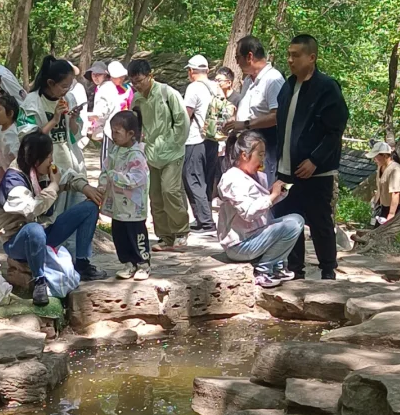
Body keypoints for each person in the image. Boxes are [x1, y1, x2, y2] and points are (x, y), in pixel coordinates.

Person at [270, 33, 350, 280]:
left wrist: (315, 159)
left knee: (319, 221)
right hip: (286, 169)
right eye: (289, 55)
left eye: (296, 55)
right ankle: (295, 271)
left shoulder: (327, 87)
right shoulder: (287, 87)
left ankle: (328, 270)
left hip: (317, 171)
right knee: (289, 219)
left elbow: (335, 129)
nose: (290, 60)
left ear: (312, 57)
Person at [0, 130, 105, 304]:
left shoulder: (40, 170)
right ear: (36, 160)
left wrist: (85, 188)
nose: (52, 162)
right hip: (17, 242)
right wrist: (53, 187)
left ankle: (82, 263)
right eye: (49, 157)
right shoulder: (13, 181)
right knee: (34, 229)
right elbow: (32, 209)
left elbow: (67, 176)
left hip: (45, 233)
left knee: (90, 207)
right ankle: (39, 280)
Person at [214, 131, 303, 287]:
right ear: (244, 155)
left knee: (296, 219)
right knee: (291, 226)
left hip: (255, 237)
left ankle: (275, 265)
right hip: (239, 245)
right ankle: (264, 270)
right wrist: (271, 197)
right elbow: (248, 213)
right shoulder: (232, 179)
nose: (263, 159)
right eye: (260, 155)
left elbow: (262, 205)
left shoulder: (256, 176)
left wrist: (278, 194)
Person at [17, 55, 98, 219]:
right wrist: (54, 120)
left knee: (74, 214)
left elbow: (74, 134)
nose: (66, 90)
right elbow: (29, 140)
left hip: (71, 162)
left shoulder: (68, 98)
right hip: (48, 167)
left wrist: (73, 119)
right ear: (50, 83)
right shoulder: (31, 103)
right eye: (63, 86)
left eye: (69, 86)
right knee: (52, 216)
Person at [127, 57, 190, 250]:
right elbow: (136, 126)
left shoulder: (166, 93)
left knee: (170, 191)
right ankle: (165, 236)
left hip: (173, 153)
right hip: (151, 154)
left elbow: (182, 121)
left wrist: (174, 143)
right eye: (133, 81)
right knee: (155, 196)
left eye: (139, 80)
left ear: (150, 76)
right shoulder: (137, 99)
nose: (136, 85)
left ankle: (181, 232)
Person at [98, 108, 150, 280]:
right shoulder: (114, 151)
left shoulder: (136, 155)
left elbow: (138, 178)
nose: (114, 135)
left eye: (117, 132)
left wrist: (115, 176)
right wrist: (102, 184)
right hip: (118, 206)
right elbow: (106, 169)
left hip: (134, 207)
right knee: (119, 235)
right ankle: (128, 263)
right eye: (112, 131)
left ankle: (143, 263)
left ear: (131, 134)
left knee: (136, 235)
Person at [233, 36, 285, 184]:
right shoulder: (249, 80)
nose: (236, 62)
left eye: (237, 57)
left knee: (263, 189)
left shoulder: (273, 80)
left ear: (249, 56)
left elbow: (277, 116)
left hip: (266, 146)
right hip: (247, 146)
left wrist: (245, 124)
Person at [182, 55, 219, 232]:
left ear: (191, 71)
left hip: (195, 139)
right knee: (207, 180)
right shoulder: (216, 86)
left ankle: (205, 221)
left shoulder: (193, 87)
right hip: (213, 139)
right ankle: (204, 217)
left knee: (192, 179)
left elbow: (186, 115)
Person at [90, 58, 132, 166]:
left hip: (118, 128)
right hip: (112, 129)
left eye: (98, 74)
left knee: (110, 163)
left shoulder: (126, 89)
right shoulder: (105, 88)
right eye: (94, 74)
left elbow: (101, 112)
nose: (122, 78)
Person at [368, 140, 400, 224]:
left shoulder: (395, 169)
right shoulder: (380, 167)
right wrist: (375, 203)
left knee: (398, 235)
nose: (374, 159)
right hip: (385, 206)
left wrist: (391, 215)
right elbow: (381, 188)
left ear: (384, 155)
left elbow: (396, 194)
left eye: (376, 156)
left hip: (399, 208)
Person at [0, 92, 21, 183]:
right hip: (1, 168)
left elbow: (16, 154)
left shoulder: (14, 132)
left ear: (10, 113)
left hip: (14, 171)